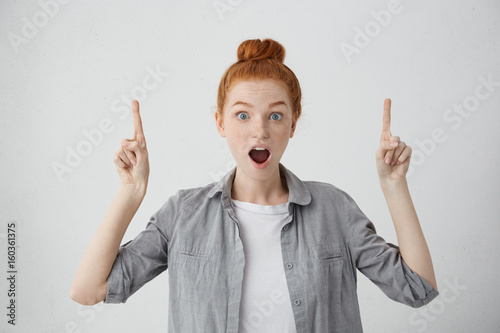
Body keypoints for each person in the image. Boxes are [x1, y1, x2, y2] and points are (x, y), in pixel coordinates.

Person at [70, 38, 439, 332]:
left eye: (275, 115)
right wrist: (131, 191)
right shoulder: (183, 213)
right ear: (221, 123)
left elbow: (417, 289)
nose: (259, 130)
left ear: (292, 125)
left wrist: (394, 186)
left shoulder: (334, 209)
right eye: (242, 114)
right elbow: (88, 291)